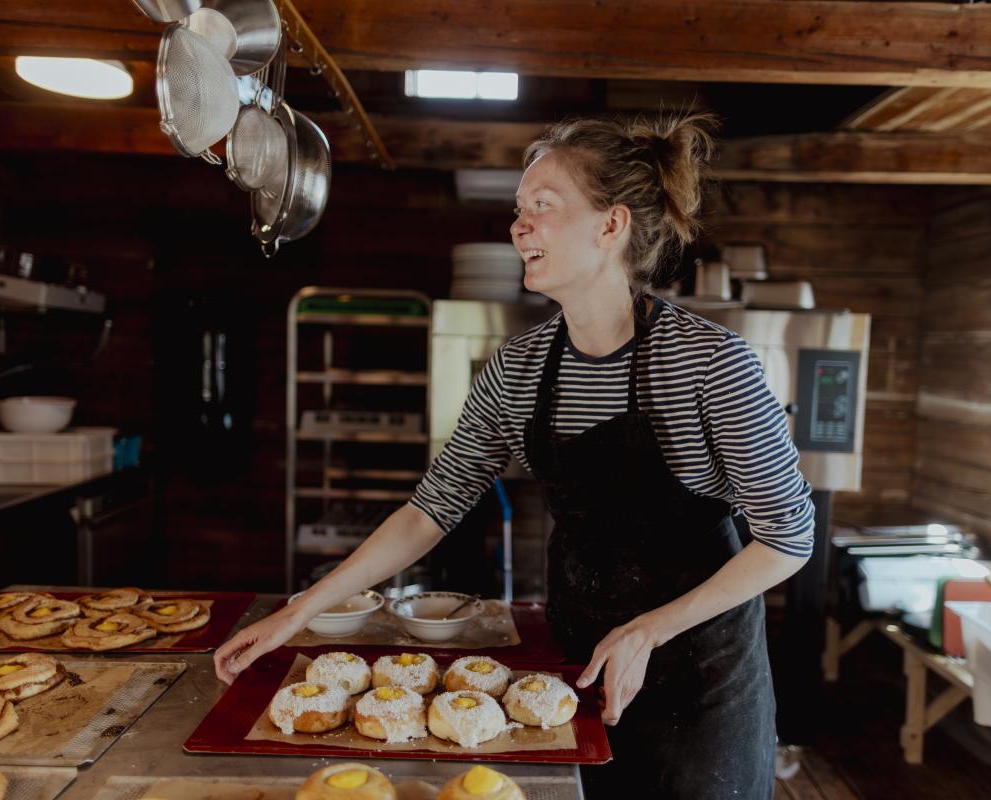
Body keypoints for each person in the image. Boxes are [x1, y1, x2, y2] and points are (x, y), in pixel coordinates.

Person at [215, 110, 814, 800]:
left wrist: (648, 631)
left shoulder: (711, 364)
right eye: (519, 209)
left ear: (611, 225)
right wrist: (299, 611)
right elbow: (430, 510)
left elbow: (788, 537)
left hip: (704, 681)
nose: (518, 226)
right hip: (574, 667)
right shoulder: (520, 369)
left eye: (542, 207)